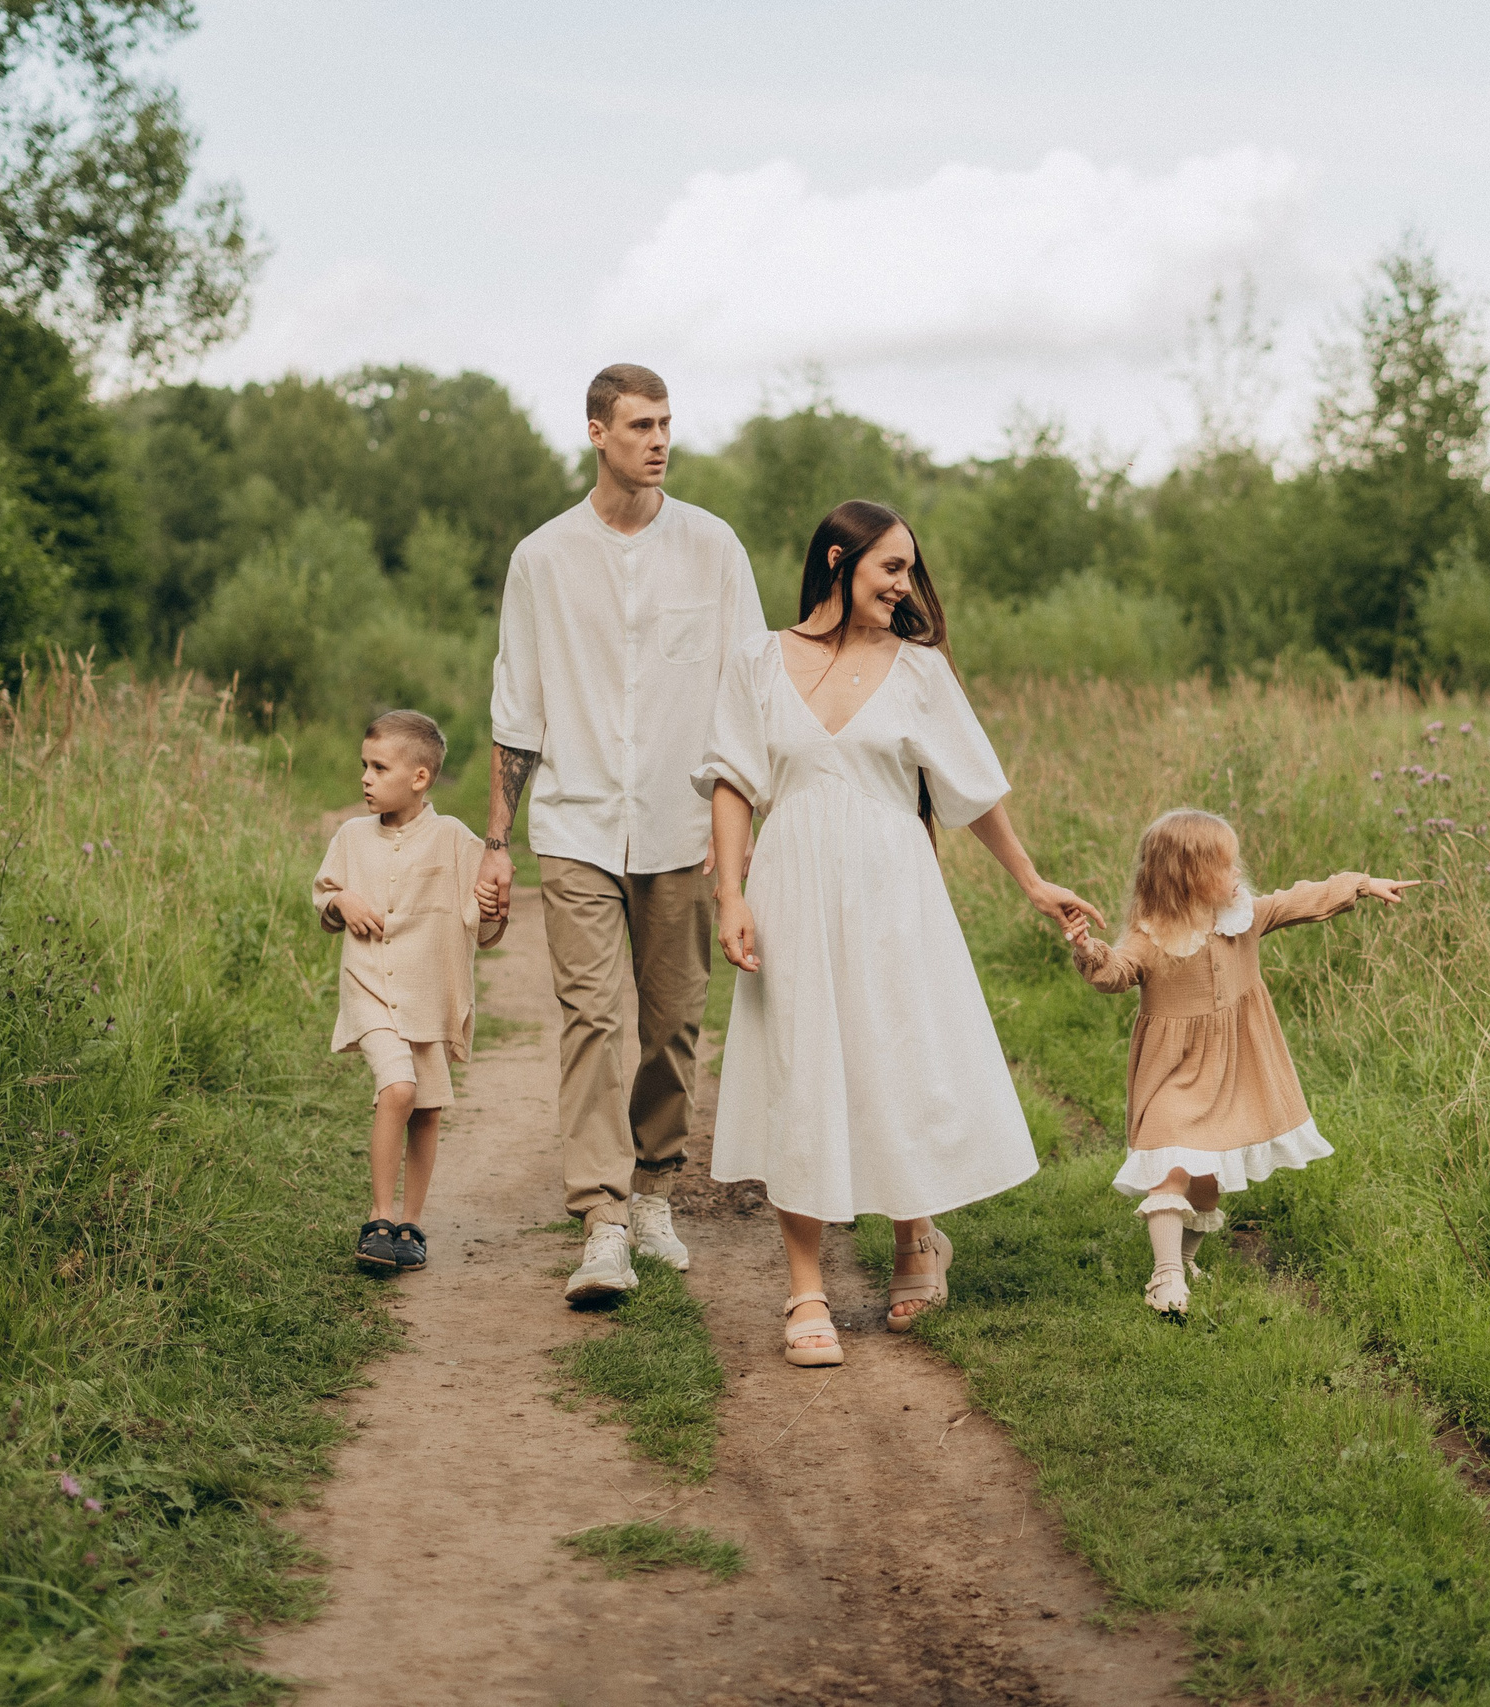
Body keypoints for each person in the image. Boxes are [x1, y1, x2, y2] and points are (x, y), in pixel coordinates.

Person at [696, 499, 1103, 1368]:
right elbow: (733, 783)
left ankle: (917, 1234)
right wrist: (731, 894)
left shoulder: (918, 669)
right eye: (891, 568)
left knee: (896, 1052)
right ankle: (805, 1286)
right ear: (840, 561)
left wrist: (1032, 881)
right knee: (798, 1066)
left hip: (891, 885)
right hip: (791, 883)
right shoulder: (756, 661)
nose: (905, 586)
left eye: (910, 570)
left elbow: (973, 788)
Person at [478, 364, 765, 1302]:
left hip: (684, 825)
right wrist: (494, 841)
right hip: (576, 821)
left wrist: (748, 839)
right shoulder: (543, 558)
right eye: (640, 424)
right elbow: (516, 707)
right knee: (595, 1018)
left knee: (673, 1021)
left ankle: (653, 1188)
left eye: (667, 423)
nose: (659, 440)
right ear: (597, 432)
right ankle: (600, 1220)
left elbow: (748, 695)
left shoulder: (715, 549)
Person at [1061, 809, 1416, 1316]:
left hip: (1233, 1073)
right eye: (1224, 866)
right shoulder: (1150, 936)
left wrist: (1359, 885)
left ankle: (1186, 1261)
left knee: (1207, 1187)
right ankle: (1165, 1278)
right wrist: (1089, 951)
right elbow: (1115, 973)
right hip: (1172, 1075)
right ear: (1188, 876)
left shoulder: (1242, 919)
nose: (1236, 874)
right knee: (1170, 1166)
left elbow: (1297, 902)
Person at [313, 709, 506, 1274]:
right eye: (363, 766)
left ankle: (411, 1225)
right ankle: (377, 1218)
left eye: (379, 767)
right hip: (368, 985)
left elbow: (487, 926)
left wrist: (496, 911)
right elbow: (324, 896)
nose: (366, 778)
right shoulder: (350, 837)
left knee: (427, 1109)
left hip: (429, 994)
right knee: (398, 1089)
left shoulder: (454, 840)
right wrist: (340, 901)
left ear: (419, 777)